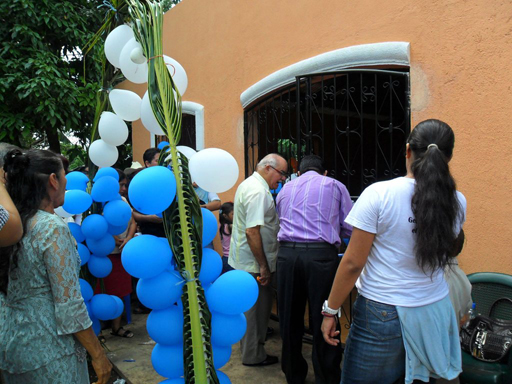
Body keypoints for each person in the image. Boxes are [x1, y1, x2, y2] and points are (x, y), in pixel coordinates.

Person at [321, 119, 467, 384]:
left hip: (382, 312)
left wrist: (331, 310)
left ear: (408, 150)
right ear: (449, 156)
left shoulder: (379, 194)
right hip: (434, 308)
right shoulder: (457, 201)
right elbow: (452, 249)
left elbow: (353, 263)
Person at [0, 149, 111, 383]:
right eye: (64, 176)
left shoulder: (11, 224)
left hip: (10, 347)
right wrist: (98, 354)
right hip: (49, 350)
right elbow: (69, 306)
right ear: (53, 180)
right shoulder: (51, 227)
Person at [275, 154, 352, 384]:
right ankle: (326, 376)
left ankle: (293, 375)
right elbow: (349, 226)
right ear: (324, 172)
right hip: (321, 257)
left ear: (299, 172)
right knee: (326, 315)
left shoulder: (285, 189)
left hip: (287, 255)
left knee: (288, 318)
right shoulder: (335, 185)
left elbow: (282, 218)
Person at [228, 153, 288, 367]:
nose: (282, 179)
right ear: (268, 168)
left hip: (245, 260)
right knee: (256, 312)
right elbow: (252, 231)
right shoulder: (258, 191)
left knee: (250, 310)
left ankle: (250, 350)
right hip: (254, 264)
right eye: (281, 173)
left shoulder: (249, 184)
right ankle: (253, 355)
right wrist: (263, 266)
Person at [96, 169, 137, 340]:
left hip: (122, 253)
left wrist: (128, 238)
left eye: (124, 185)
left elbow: (133, 221)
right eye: (120, 185)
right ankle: (97, 331)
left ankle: (116, 327)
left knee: (120, 291)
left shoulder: (123, 200)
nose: (123, 188)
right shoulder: (97, 203)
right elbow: (99, 225)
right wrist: (112, 239)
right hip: (104, 255)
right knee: (101, 292)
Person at [219, 202, 234, 274]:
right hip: (231, 259)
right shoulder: (230, 227)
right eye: (233, 214)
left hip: (225, 258)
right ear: (225, 216)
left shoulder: (221, 226)